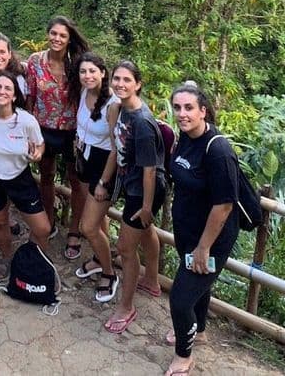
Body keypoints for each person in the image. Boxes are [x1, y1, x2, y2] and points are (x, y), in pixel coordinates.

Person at [164, 82, 239, 376]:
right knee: (198, 286)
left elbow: (224, 206)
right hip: (188, 230)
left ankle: (184, 356)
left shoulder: (217, 150)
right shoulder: (184, 138)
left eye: (189, 108)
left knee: (180, 299)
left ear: (203, 111)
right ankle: (201, 330)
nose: (182, 114)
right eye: (178, 108)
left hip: (211, 238)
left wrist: (203, 247)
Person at [105, 60, 166, 334]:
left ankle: (126, 307)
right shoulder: (122, 109)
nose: (120, 84)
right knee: (146, 229)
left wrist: (145, 206)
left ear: (138, 84)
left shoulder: (141, 122)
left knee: (126, 249)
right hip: (135, 184)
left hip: (145, 189)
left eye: (127, 80)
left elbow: (150, 171)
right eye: (116, 78)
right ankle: (151, 281)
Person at [0, 71, 51, 280]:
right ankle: (7, 258)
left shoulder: (26, 121)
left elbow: (39, 144)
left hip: (19, 176)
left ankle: (31, 258)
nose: (2, 91)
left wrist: (38, 153)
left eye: (8, 88)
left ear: (15, 96)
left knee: (42, 228)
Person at [26, 15, 89, 258]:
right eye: (54, 34)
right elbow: (31, 96)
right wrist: (30, 129)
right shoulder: (35, 62)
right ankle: (48, 220)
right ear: (47, 34)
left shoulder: (78, 64)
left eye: (62, 35)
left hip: (73, 131)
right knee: (46, 176)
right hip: (44, 129)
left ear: (69, 38)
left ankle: (74, 230)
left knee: (76, 182)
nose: (57, 39)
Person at [70, 52, 120, 302]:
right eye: (83, 71)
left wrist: (103, 181)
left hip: (104, 166)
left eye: (92, 71)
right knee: (98, 221)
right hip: (85, 157)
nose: (87, 76)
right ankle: (101, 259)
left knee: (88, 226)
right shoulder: (83, 93)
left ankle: (110, 274)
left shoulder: (112, 104)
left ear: (103, 72)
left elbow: (115, 148)